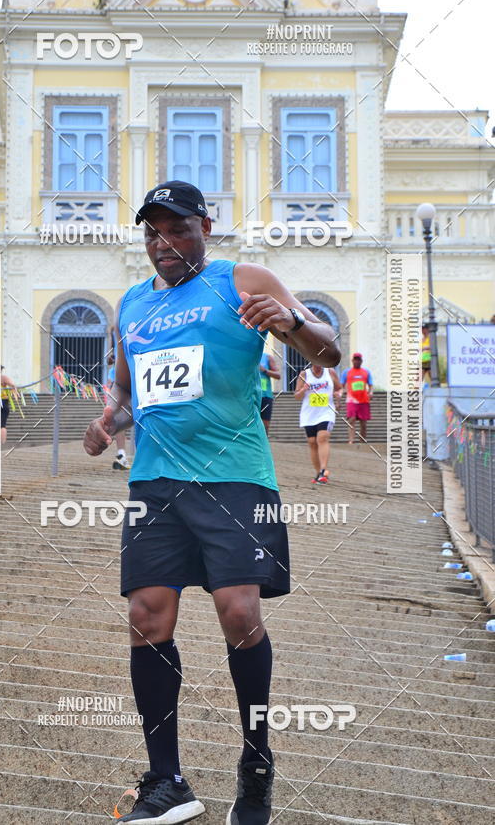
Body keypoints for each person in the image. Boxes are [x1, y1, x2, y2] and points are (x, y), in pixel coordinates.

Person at [83, 180, 340, 825]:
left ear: (205, 225)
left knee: (239, 611)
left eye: (176, 228)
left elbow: (326, 347)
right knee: (146, 615)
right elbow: (125, 388)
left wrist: (292, 324)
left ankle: (255, 771)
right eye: (151, 232)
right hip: (155, 481)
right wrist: (108, 421)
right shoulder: (134, 304)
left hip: (235, 478)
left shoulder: (241, 277)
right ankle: (166, 782)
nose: (162, 243)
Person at [295, 364, 342, 483]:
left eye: (321, 362)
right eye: (316, 362)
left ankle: (323, 470)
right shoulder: (304, 374)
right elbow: (297, 396)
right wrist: (304, 389)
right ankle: (318, 473)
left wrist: (338, 395)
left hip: (326, 412)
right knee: (312, 442)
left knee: (322, 438)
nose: (318, 365)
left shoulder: (330, 372)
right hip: (309, 414)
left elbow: (339, 388)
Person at [341, 352, 373, 444]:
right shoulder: (346, 372)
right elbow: (341, 385)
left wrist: (370, 392)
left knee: (363, 423)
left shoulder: (366, 372)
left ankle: (362, 441)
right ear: (352, 360)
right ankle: (351, 440)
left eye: (358, 359)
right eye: (355, 359)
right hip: (351, 400)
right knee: (351, 419)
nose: (357, 361)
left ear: (361, 361)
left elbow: (370, 385)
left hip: (364, 400)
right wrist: (342, 391)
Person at [105, 350, 129, 470]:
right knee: (117, 420)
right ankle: (122, 455)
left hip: (132, 380)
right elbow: (109, 359)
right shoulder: (115, 336)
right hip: (117, 381)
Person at [259, 349, 280, 435]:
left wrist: (264, 370)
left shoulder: (267, 357)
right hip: (250, 395)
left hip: (265, 396)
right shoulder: (246, 357)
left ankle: (263, 446)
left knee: (265, 425)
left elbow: (278, 375)